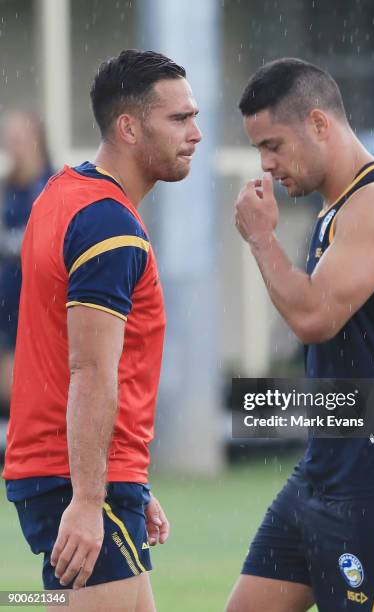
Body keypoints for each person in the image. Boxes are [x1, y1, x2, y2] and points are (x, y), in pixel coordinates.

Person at [226, 58, 374, 612]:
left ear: (318, 123)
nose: (265, 165)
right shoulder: (334, 209)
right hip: (331, 466)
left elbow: (314, 317)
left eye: (273, 145)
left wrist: (262, 241)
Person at [2, 49, 202, 611]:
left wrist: (127, 479)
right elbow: (89, 369)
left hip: (80, 472)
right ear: (129, 127)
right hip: (74, 479)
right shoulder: (108, 225)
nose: (197, 133)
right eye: (180, 119)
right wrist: (93, 496)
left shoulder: (63, 194)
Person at [0, 111, 52, 417]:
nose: (12, 147)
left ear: (37, 142)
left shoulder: (52, 187)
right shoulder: (6, 191)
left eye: (18, 140)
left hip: (42, 306)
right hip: (8, 305)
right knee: (11, 385)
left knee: (35, 387)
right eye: (9, 140)